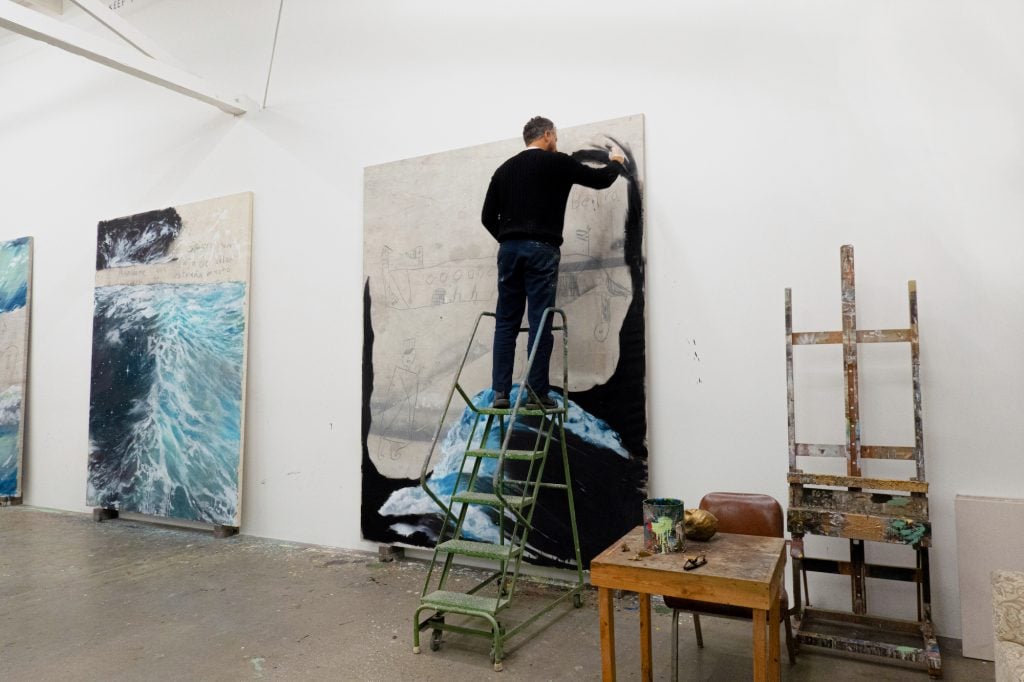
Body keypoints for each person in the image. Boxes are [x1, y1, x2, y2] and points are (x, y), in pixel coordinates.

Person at [481, 116, 625, 409]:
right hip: (541, 250)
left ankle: (500, 393)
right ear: (547, 134)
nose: (556, 143)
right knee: (539, 320)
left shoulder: (503, 170)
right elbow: (601, 180)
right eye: (555, 137)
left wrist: (510, 238)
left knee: (506, 322)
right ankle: (536, 394)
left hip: (508, 250)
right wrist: (617, 161)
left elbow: (486, 216)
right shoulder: (558, 162)